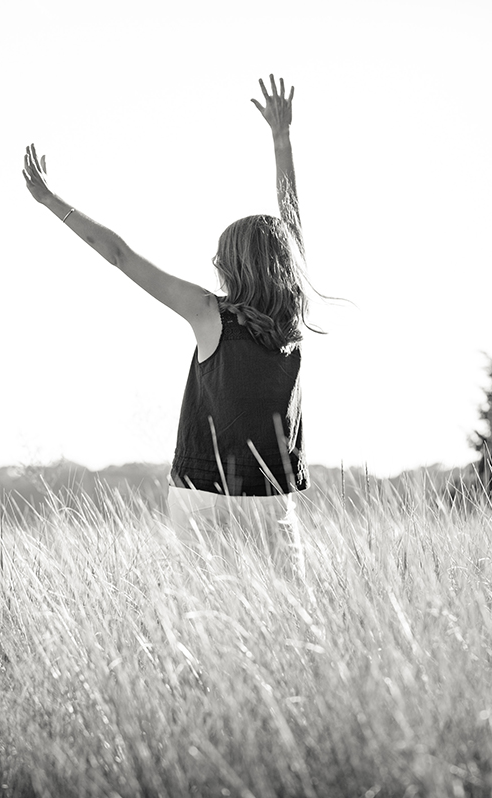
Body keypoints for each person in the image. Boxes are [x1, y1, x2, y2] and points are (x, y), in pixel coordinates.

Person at [22, 74, 317, 535]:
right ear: (286, 266)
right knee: (286, 607)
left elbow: (119, 255)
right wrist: (282, 139)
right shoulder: (290, 318)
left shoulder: (207, 313)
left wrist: (50, 201)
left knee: (206, 609)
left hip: (201, 496)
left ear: (233, 266)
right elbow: (291, 220)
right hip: (268, 497)